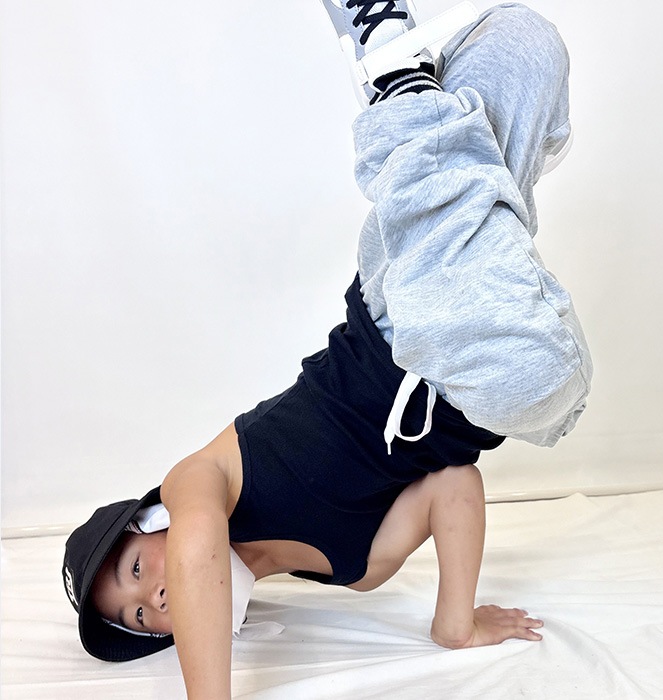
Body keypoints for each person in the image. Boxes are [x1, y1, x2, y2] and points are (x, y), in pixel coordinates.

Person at [62, 2, 592, 697]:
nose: (154, 597)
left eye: (137, 569)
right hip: (472, 361)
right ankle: (409, 95)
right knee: (528, 46)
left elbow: (196, 552)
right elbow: (454, 484)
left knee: (537, 374)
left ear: (152, 521)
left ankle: (401, 87)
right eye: (139, 616)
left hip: (390, 313)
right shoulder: (355, 569)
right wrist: (455, 624)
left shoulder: (199, 480)